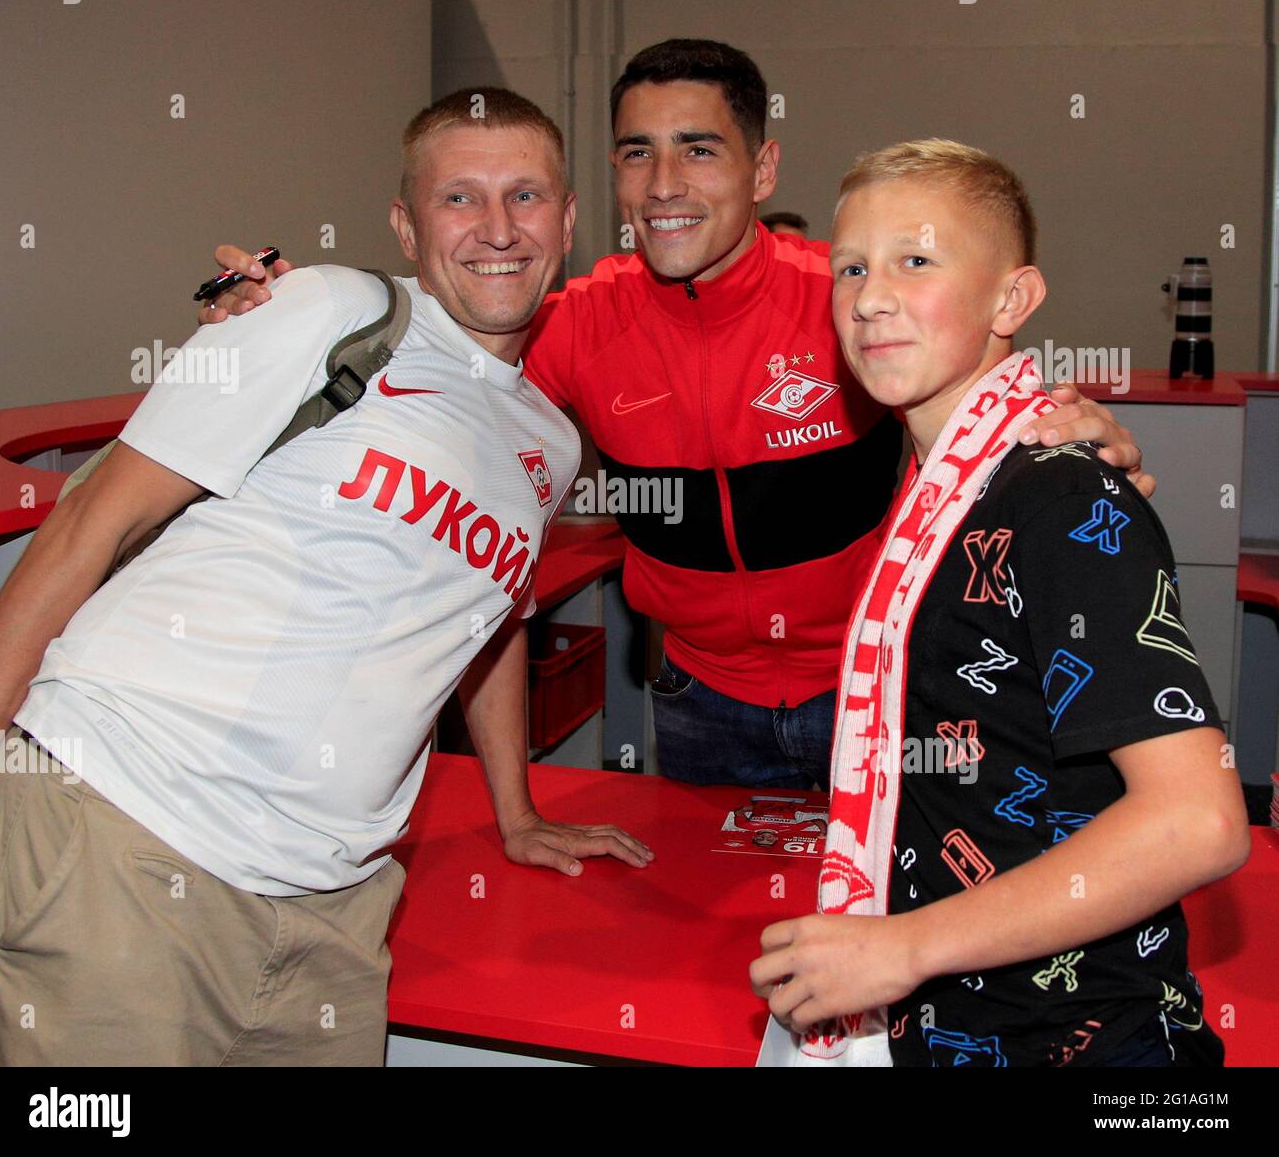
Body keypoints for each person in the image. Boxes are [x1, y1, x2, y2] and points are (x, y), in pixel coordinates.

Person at [201, 40, 1152, 793]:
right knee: (704, 966)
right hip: (698, 700)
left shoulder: (849, 297)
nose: (663, 184)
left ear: (763, 166)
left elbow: (983, 369)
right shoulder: (575, 323)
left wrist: (1078, 432)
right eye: (636, 152)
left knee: (880, 953)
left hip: (875, 693)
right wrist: (295, 316)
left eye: (698, 149)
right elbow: (431, 344)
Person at [0, 87, 651, 1068]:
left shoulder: (548, 439)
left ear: (569, 217)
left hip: (334, 901)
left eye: (526, 196)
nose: (498, 229)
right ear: (405, 223)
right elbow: (93, 515)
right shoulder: (338, 311)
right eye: (460, 199)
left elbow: (484, 616)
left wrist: (517, 811)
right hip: (126, 829)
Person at [751, 138, 1249, 1068]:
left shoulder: (1060, 492)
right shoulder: (933, 480)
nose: (869, 295)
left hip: (1080, 1039)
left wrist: (906, 947)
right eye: (851, 266)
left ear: (1012, 300)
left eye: (917, 259)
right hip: (954, 1020)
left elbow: (1200, 822)